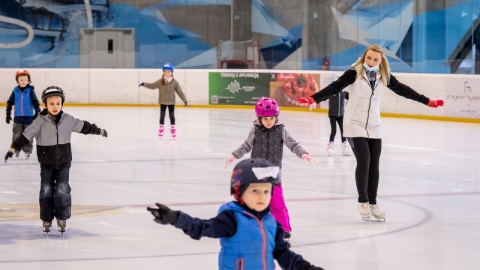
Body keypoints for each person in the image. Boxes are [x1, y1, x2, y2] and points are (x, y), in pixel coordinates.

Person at [298, 44, 444, 221]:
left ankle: (373, 203)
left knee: (374, 163)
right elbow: (336, 87)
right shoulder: (354, 72)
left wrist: (427, 101)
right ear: (364, 57)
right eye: (369, 58)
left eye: (375, 59)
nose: (372, 61)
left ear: (381, 60)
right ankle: (363, 201)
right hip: (354, 123)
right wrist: (313, 98)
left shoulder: (384, 76)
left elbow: (404, 90)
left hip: (374, 125)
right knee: (364, 160)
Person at [147, 158, 324, 270]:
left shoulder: (272, 223)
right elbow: (201, 227)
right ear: (239, 191)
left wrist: (306, 268)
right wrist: (175, 218)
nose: (262, 196)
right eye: (255, 191)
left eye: (266, 191)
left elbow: (283, 255)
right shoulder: (232, 219)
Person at [4, 86, 108, 234]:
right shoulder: (39, 121)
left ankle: (61, 217)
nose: (55, 106)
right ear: (45, 104)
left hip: (64, 163)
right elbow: (25, 136)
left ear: (62, 104)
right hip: (46, 163)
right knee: (46, 191)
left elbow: (84, 126)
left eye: (58, 103)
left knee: (62, 190)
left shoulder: (68, 120)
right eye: (51, 103)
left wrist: (99, 130)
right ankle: (46, 219)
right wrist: (13, 148)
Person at [224, 97, 318, 241]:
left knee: (277, 203)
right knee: (253, 202)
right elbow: (246, 145)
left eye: (271, 118)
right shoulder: (255, 130)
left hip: (274, 174)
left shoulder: (281, 130)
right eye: (265, 119)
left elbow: (292, 144)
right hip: (256, 173)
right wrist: (233, 155)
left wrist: (304, 154)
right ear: (259, 119)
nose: (269, 122)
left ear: (276, 117)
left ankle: (283, 229)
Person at [138, 62, 188, 138]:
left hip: (171, 102)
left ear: (172, 72)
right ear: (163, 72)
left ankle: (173, 128)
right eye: (165, 72)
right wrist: (144, 84)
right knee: (162, 116)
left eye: (169, 72)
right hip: (162, 101)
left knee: (172, 116)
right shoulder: (160, 82)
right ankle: (161, 128)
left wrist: (184, 100)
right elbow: (152, 85)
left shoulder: (175, 83)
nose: (167, 73)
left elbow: (179, 92)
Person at [5, 69, 41, 159]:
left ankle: (27, 150)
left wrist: (37, 111)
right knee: (17, 134)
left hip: (29, 117)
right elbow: (10, 102)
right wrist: (8, 114)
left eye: (25, 79)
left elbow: (35, 101)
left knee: (28, 134)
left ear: (28, 80)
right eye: (21, 80)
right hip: (18, 117)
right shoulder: (15, 91)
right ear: (18, 81)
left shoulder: (30, 91)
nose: (23, 81)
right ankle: (16, 150)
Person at [326, 74, 350, 156]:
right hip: (332, 114)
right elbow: (323, 96)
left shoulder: (344, 92)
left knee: (344, 131)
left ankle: (344, 147)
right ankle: (330, 146)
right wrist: (315, 100)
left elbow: (352, 98)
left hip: (341, 115)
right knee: (334, 131)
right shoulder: (331, 92)